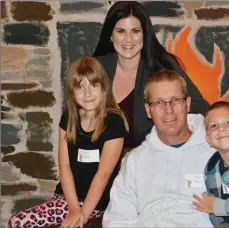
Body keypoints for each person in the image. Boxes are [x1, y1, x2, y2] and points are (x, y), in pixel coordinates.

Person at [8, 57, 129, 228]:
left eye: (93, 85)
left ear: (104, 88)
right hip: (67, 199)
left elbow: (103, 175)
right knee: (16, 222)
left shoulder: (114, 122)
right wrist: (73, 208)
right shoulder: (69, 118)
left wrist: (83, 214)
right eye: (80, 87)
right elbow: (64, 167)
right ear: (72, 91)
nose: (87, 94)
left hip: (97, 204)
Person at [102, 70, 216, 227]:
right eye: (158, 103)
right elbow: (118, 219)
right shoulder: (135, 161)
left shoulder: (216, 151)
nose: (168, 110)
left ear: (187, 104)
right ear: (148, 110)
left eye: (175, 100)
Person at [93, 1, 209, 148]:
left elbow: (199, 107)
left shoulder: (162, 65)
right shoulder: (95, 68)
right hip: (100, 161)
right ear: (110, 35)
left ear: (144, 34)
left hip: (150, 158)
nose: (128, 39)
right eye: (120, 31)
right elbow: (73, 117)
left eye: (135, 31)